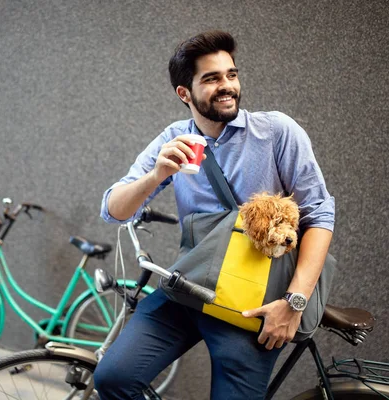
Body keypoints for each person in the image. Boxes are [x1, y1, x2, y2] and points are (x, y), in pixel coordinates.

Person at [94, 30, 335, 399]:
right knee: (113, 377)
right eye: (212, 78)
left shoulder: (276, 132)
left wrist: (294, 303)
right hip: (188, 288)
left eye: (231, 75)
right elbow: (113, 209)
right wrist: (156, 176)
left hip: (252, 306)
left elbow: (319, 215)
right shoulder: (173, 139)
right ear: (184, 93)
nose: (227, 86)